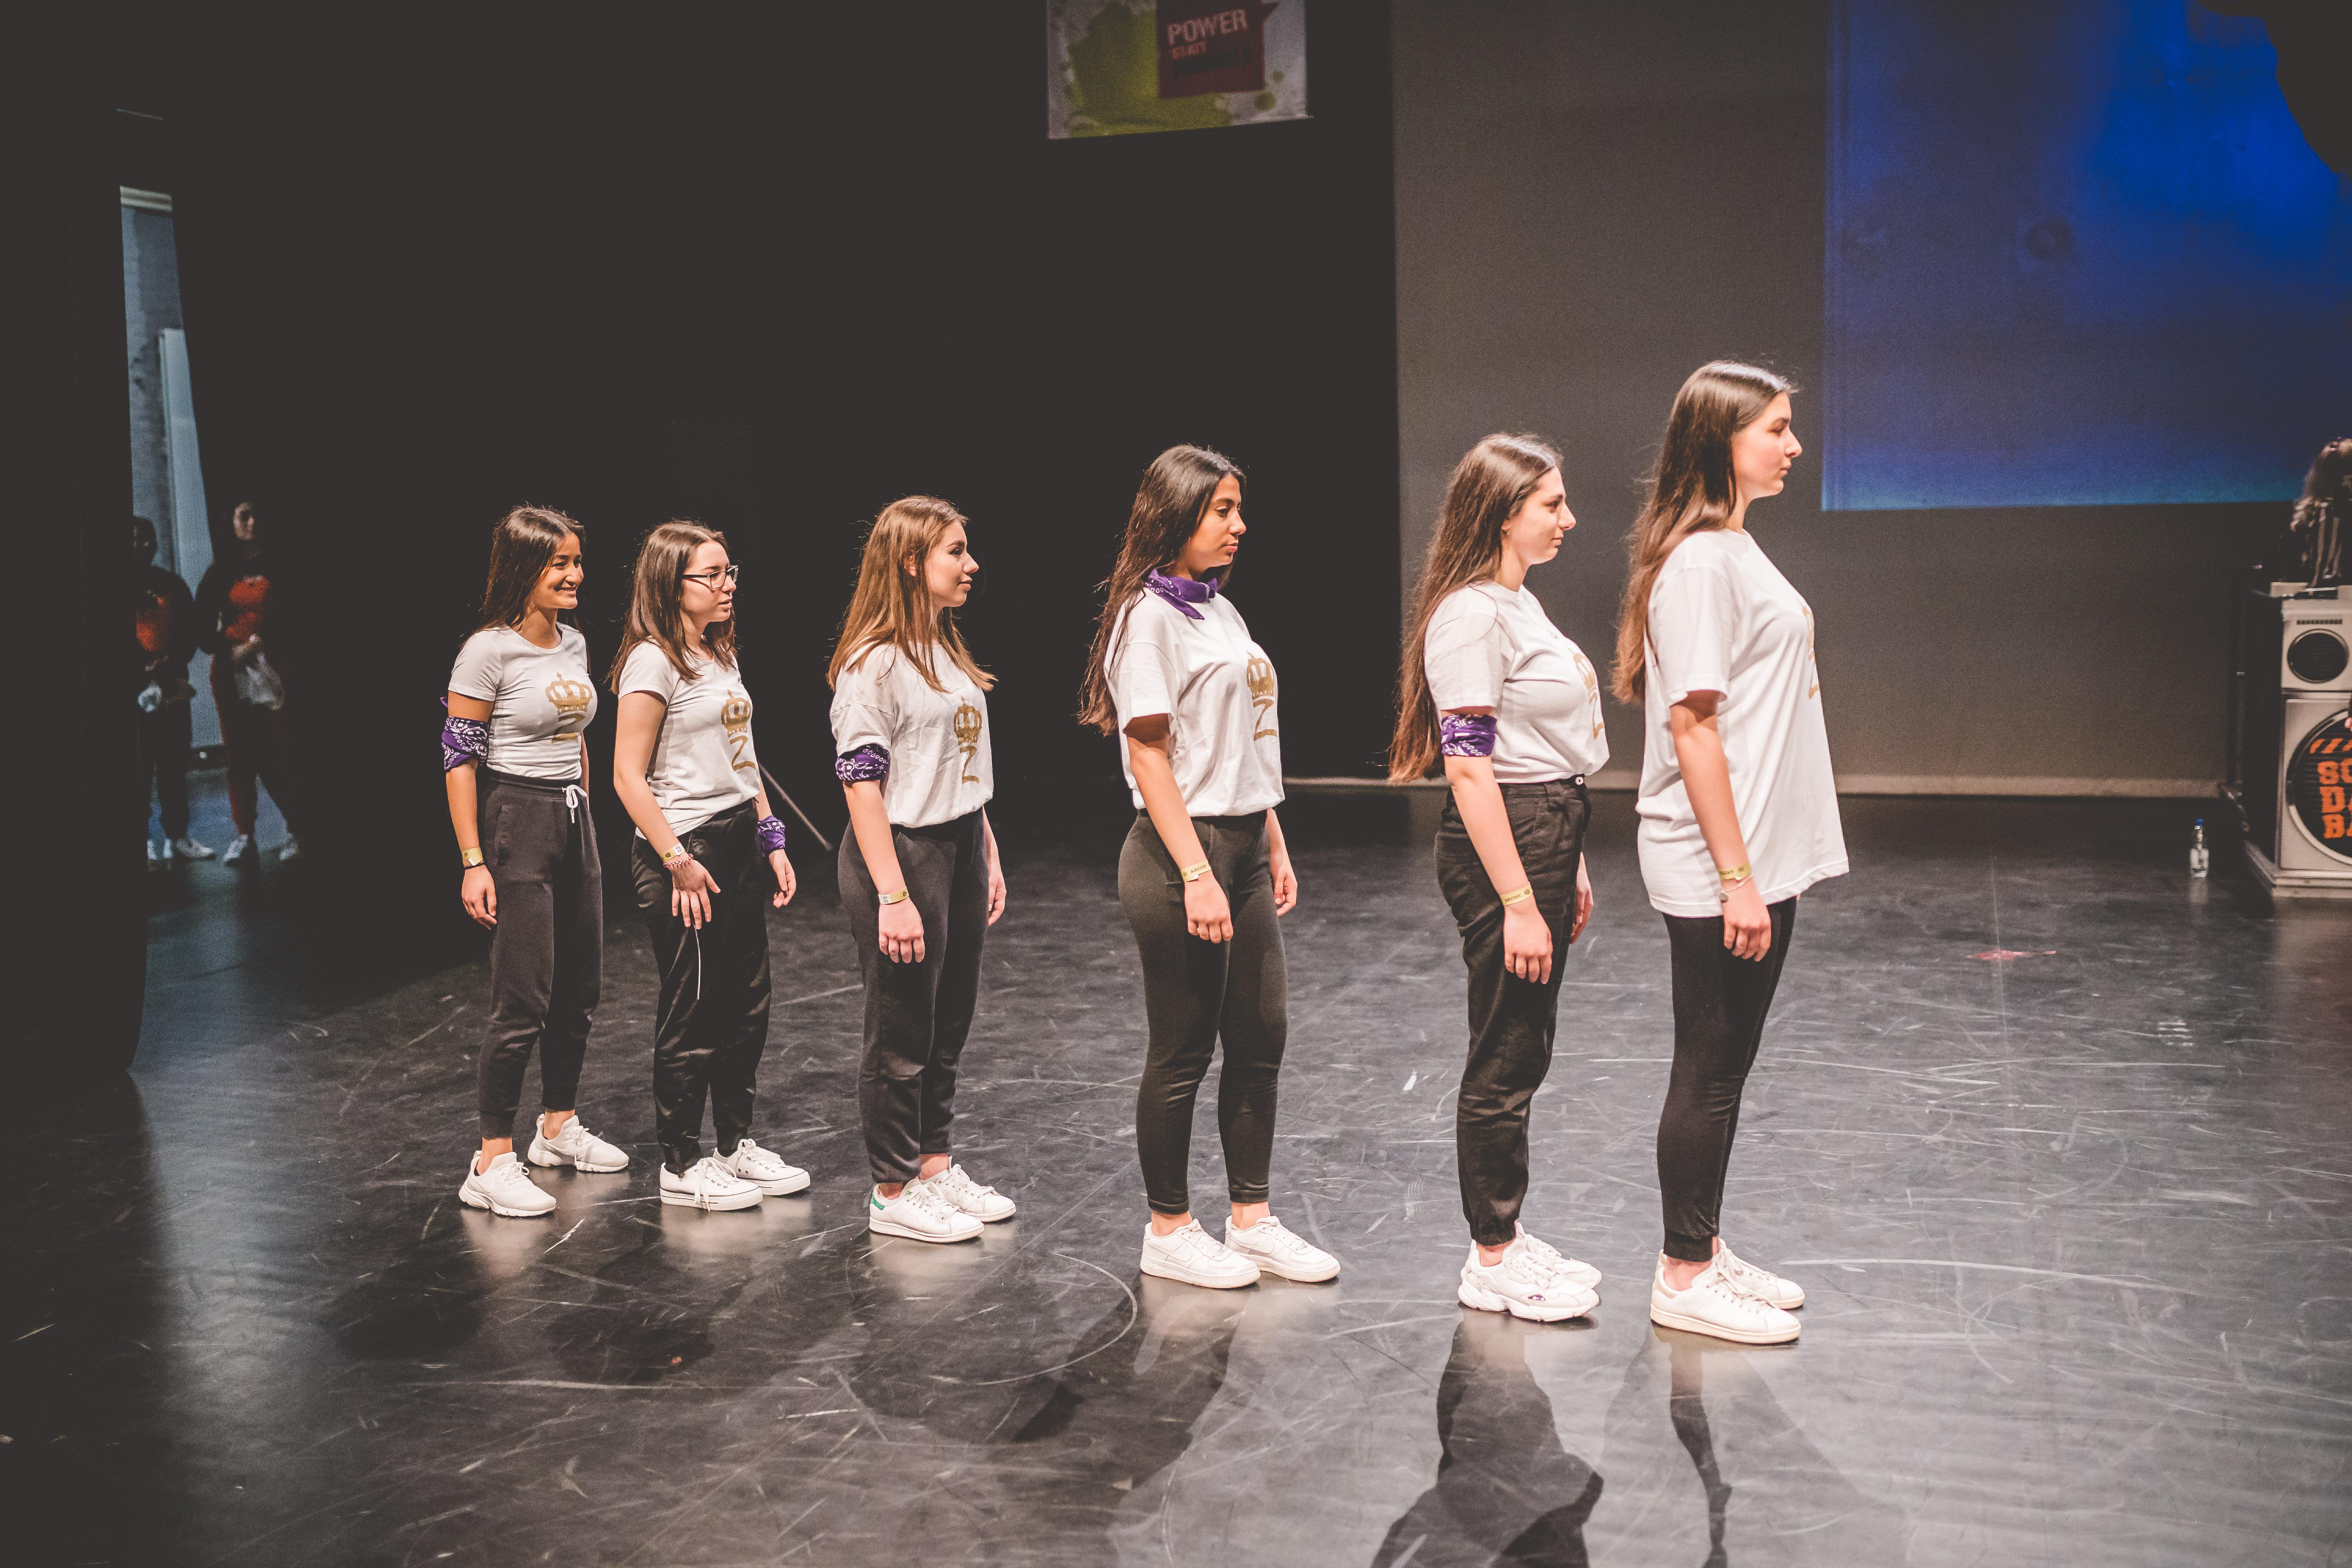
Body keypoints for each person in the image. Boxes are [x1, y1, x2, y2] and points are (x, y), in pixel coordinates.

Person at [1614, 362, 1846, 1345]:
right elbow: (1694, 727)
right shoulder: (1703, 564)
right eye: (1776, 429)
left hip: (1753, 852)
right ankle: (1683, 1272)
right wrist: (1736, 879)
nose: (1794, 445)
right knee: (1709, 1064)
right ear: (1722, 440)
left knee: (1729, 1064)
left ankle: (1703, 1244)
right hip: (1719, 860)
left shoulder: (1732, 548)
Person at [1078, 444, 1338, 1289]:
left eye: (1238, 509)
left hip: (1244, 846)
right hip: (1176, 855)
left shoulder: (1221, 611)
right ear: (1177, 513)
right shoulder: (1147, 618)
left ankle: (1251, 1220)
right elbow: (1148, 755)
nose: (1239, 525)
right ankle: (1169, 1228)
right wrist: (1196, 874)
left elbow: (1243, 741)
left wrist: (1272, 839)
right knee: (1182, 1048)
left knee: (1261, 1037)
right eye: (1223, 510)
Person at [1389, 434, 1606, 1323]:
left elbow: (1538, 744)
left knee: (1526, 1043)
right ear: (1503, 512)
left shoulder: (1517, 604)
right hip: (1508, 837)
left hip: (1545, 826)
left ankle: (1506, 1233)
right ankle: (1492, 1253)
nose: (1568, 518)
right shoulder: (1472, 616)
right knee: (1505, 1051)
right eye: (1551, 504)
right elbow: (1472, 769)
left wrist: (1571, 855)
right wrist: (1519, 900)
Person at [828, 496, 1014, 1245]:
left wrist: (987, 852)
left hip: (960, 843)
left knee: (948, 1019)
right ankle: (892, 1188)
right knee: (901, 1028)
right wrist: (894, 894)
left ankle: (933, 1165)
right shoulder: (873, 664)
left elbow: (959, 764)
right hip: (904, 853)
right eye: (955, 552)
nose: (971, 565)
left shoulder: (944, 648)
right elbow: (861, 787)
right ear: (911, 562)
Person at [610, 521, 806, 1212]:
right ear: (673, 583)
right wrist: (677, 861)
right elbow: (627, 776)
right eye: (712, 575)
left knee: (747, 1004)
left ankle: (733, 1144)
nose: (727, 587)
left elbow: (744, 760)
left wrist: (771, 836)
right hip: (684, 847)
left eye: (730, 573)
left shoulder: (717, 654)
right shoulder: (652, 662)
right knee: (694, 1008)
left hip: (736, 840)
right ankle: (681, 1161)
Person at [443, 507, 628, 1220]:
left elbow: (576, 737)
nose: (576, 574)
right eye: (560, 564)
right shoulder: (486, 652)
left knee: (580, 987)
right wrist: (474, 860)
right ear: (524, 569)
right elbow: (459, 760)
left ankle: (557, 1125)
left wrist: (583, 812)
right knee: (523, 997)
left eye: (577, 561)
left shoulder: (574, 642)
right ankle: (492, 1159)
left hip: (572, 817)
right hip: (515, 817)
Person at [195, 501, 302, 865]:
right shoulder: (219, 573)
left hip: (276, 666)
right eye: (244, 516)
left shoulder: (280, 569)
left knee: (283, 750)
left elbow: (293, 616)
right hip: (231, 670)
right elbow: (201, 627)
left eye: (258, 515)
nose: (253, 522)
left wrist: (258, 643)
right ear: (231, 523)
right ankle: (244, 835)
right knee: (238, 754)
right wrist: (231, 649)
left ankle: (296, 831)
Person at [133, 515, 212, 869]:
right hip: (133, 691)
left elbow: (190, 633)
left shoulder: (172, 584)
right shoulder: (111, 584)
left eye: (147, 539)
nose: (142, 545)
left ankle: (178, 837)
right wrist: (143, 671)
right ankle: (140, 841)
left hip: (172, 687)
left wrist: (166, 668)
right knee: (137, 768)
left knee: (173, 764)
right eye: (135, 539)